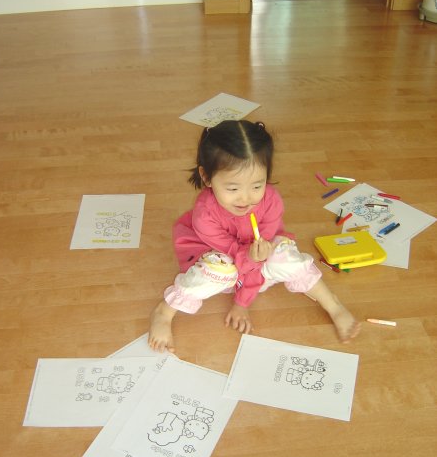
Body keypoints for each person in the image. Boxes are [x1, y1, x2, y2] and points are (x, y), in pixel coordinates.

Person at [149, 120, 360, 353]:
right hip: (222, 261)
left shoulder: (271, 201)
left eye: (257, 186)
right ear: (206, 177)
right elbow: (237, 257)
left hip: (255, 264)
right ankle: (164, 312)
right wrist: (242, 299)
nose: (246, 198)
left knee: (285, 256)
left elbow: (259, 257)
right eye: (233, 189)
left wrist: (242, 302)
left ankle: (333, 305)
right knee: (221, 268)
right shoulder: (204, 216)